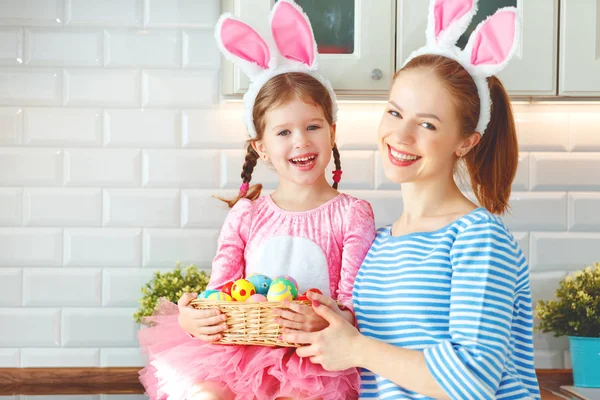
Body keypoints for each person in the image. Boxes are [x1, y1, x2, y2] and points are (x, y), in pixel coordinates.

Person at [282, 1, 542, 399]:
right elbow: (382, 363)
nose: (401, 136)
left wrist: (356, 347)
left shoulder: (477, 237)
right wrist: (334, 327)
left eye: (427, 124)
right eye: (394, 112)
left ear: (465, 142)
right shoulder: (382, 243)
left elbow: (472, 381)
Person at [137, 1, 376, 399]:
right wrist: (194, 320)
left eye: (313, 126)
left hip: (316, 360)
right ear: (261, 147)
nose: (301, 140)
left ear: (332, 132)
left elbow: (355, 306)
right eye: (283, 132)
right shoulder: (246, 215)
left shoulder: (352, 215)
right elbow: (220, 291)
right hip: (240, 354)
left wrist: (330, 319)